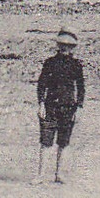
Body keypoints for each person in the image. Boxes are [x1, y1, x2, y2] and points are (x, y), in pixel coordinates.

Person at [35, 29, 85, 183]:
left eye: (68, 46)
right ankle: (41, 175)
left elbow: (81, 88)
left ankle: (59, 175)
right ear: (58, 45)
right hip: (50, 106)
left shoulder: (76, 65)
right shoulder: (49, 63)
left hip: (68, 108)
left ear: (73, 48)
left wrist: (79, 108)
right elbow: (41, 84)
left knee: (63, 142)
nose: (65, 48)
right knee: (46, 141)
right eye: (62, 45)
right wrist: (41, 103)